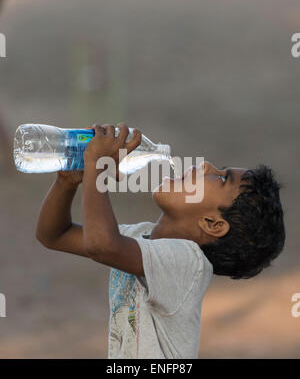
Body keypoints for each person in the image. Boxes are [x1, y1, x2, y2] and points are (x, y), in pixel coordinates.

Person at [36, 123, 285, 358]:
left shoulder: (189, 265)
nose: (207, 165)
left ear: (213, 224)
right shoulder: (140, 236)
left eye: (221, 178)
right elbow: (54, 235)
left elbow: (101, 245)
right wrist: (66, 182)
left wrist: (96, 168)